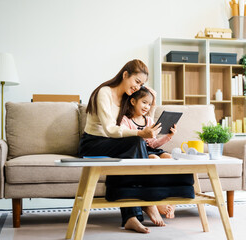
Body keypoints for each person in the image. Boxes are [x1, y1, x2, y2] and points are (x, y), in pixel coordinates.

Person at [78, 59, 194, 234]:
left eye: (142, 84)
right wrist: (140, 134)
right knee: (137, 143)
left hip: (113, 143)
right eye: (136, 81)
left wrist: (151, 104)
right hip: (94, 143)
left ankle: (132, 216)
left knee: (138, 148)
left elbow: (141, 117)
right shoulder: (104, 93)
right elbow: (110, 130)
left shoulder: (128, 97)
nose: (138, 87)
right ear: (125, 75)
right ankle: (147, 203)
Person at [120, 86, 176, 218]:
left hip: (151, 148)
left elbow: (153, 143)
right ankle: (156, 202)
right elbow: (124, 139)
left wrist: (169, 136)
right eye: (144, 102)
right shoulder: (125, 120)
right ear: (133, 101)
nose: (147, 106)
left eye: (149, 104)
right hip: (139, 150)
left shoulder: (149, 120)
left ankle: (172, 204)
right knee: (155, 160)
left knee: (169, 158)